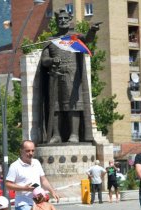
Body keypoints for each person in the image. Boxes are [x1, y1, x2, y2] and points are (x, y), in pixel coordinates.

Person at [38, 9, 100, 144]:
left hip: (73, 77)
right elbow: (44, 60)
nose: (63, 21)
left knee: (74, 106)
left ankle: (74, 135)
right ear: (56, 22)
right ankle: (56, 135)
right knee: (55, 107)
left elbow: (88, 39)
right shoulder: (51, 41)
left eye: (66, 18)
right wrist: (52, 61)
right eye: (60, 19)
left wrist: (93, 30)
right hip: (55, 77)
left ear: (70, 19)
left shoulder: (75, 38)